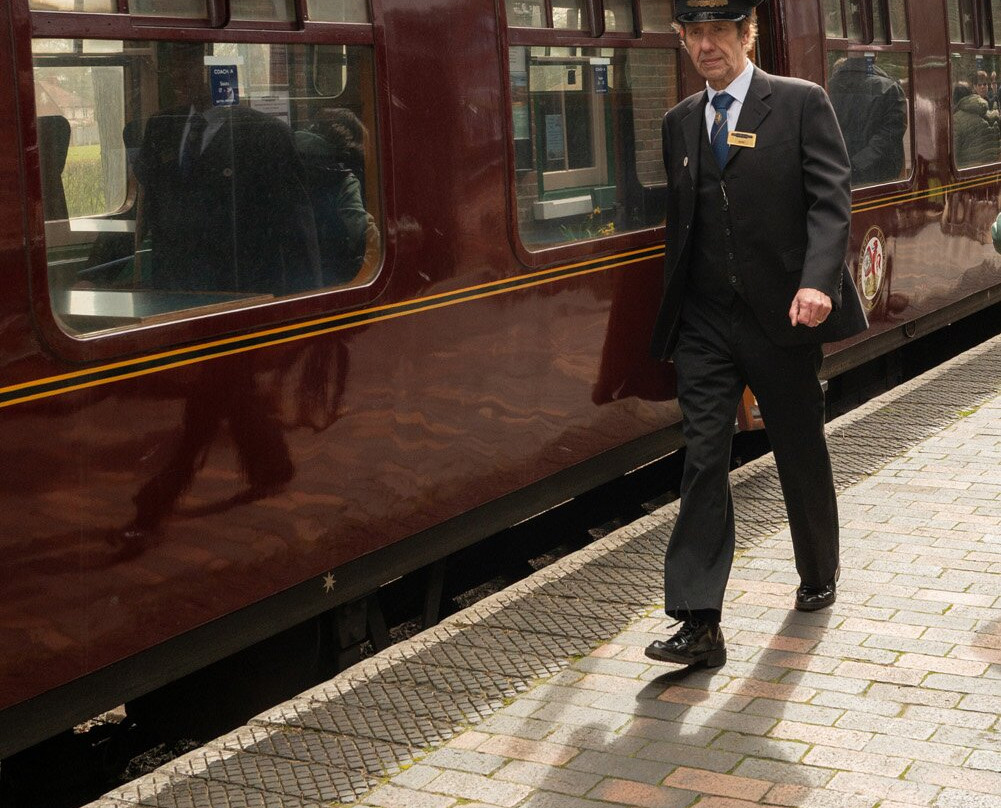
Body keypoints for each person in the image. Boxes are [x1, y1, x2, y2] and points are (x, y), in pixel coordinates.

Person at [645, 0, 868, 669]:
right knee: (703, 457)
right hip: (705, 323)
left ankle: (818, 569)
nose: (706, 44)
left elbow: (830, 199)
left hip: (782, 315)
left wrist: (817, 282)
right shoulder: (680, 122)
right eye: (694, 33)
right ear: (683, 41)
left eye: (719, 31)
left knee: (798, 445)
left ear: (746, 35)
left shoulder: (798, 103)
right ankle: (698, 623)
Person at [134, 42, 320, 296]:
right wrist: (95, 274)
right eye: (173, 66)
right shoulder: (161, 126)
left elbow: (295, 226)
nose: (176, 75)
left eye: (188, 65)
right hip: (173, 288)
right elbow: (143, 205)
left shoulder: (266, 134)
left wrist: (308, 301)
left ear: (218, 70)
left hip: (240, 289)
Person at [828, 55, 906, 185]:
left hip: (836, 170)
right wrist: (857, 164)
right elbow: (889, 135)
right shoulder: (889, 88)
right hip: (877, 175)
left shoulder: (828, 86)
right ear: (875, 56)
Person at [953, 82, 1001, 168]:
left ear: (955, 99)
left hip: (969, 173)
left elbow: (953, 155)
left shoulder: (957, 120)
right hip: (993, 172)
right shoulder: (993, 116)